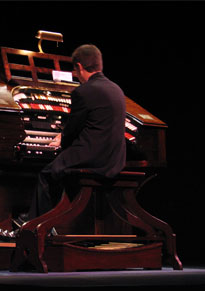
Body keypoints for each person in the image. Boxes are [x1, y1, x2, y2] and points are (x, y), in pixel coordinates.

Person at [21, 44, 127, 222]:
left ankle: (37, 224)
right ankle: (55, 221)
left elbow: (72, 131)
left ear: (79, 66)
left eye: (75, 71)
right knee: (61, 168)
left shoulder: (83, 92)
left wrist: (60, 142)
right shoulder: (117, 89)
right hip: (115, 158)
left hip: (94, 157)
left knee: (48, 173)